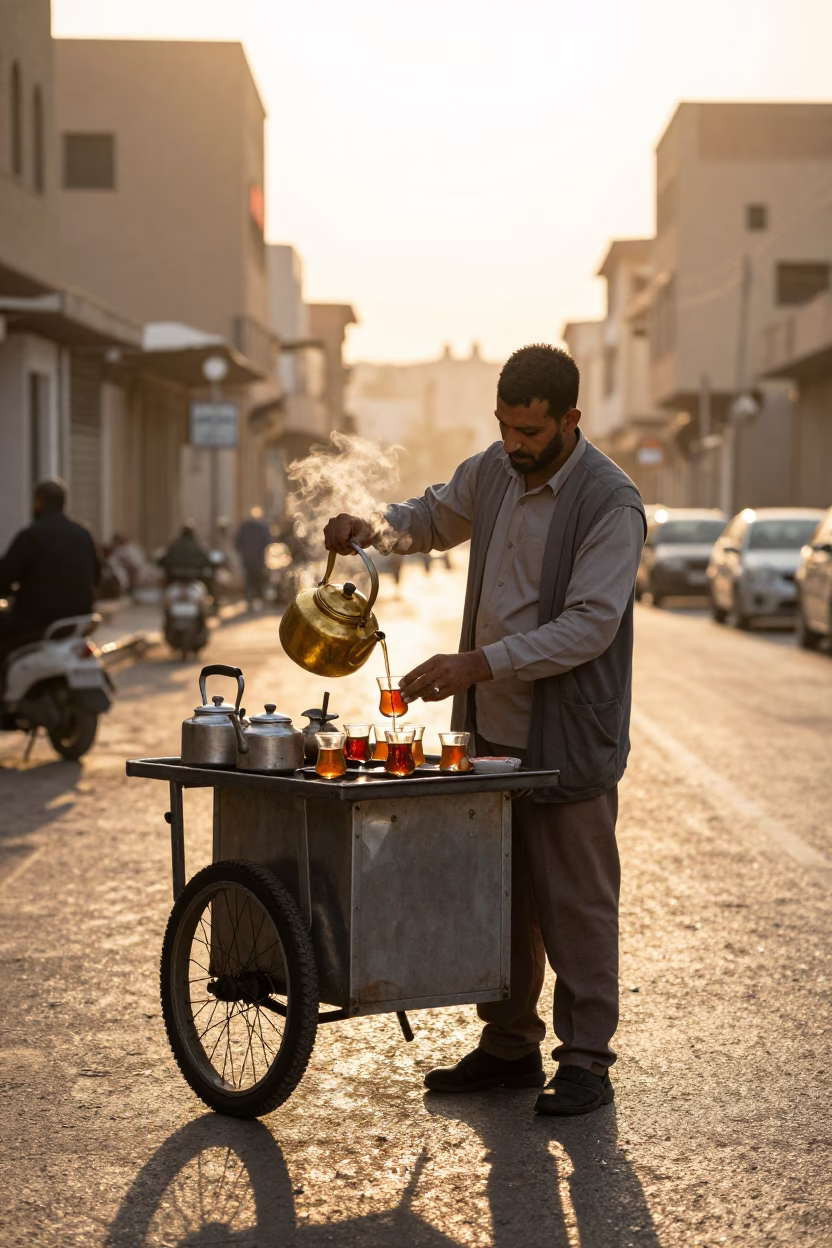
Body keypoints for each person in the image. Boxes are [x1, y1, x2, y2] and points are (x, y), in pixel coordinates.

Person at [324, 344, 646, 1117]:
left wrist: (478, 664)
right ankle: (508, 1046)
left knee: (575, 903)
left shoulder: (611, 503)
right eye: (504, 426)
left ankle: (587, 1062)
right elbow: (432, 519)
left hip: (567, 735)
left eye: (531, 431)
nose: (515, 444)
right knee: (500, 896)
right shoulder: (494, 470)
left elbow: (587, 628)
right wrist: (372, 526)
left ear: (571, 419)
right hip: (494, 736)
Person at [0, 479, 100, 665]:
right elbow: (97, 576)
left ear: (38, 502)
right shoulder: (84, 533)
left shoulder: (31, 535)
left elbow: (5, 575)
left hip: (37, 620)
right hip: (80, 618)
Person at [234, 507, 271, 607]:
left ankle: (249, 599)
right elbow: (267, 541)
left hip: (247, 559)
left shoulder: (245, 527)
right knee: (258, 579)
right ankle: (259, 599)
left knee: (249, 579)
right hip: (258, 560)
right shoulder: (262, 527)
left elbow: (237, 542)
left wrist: (243, 552)